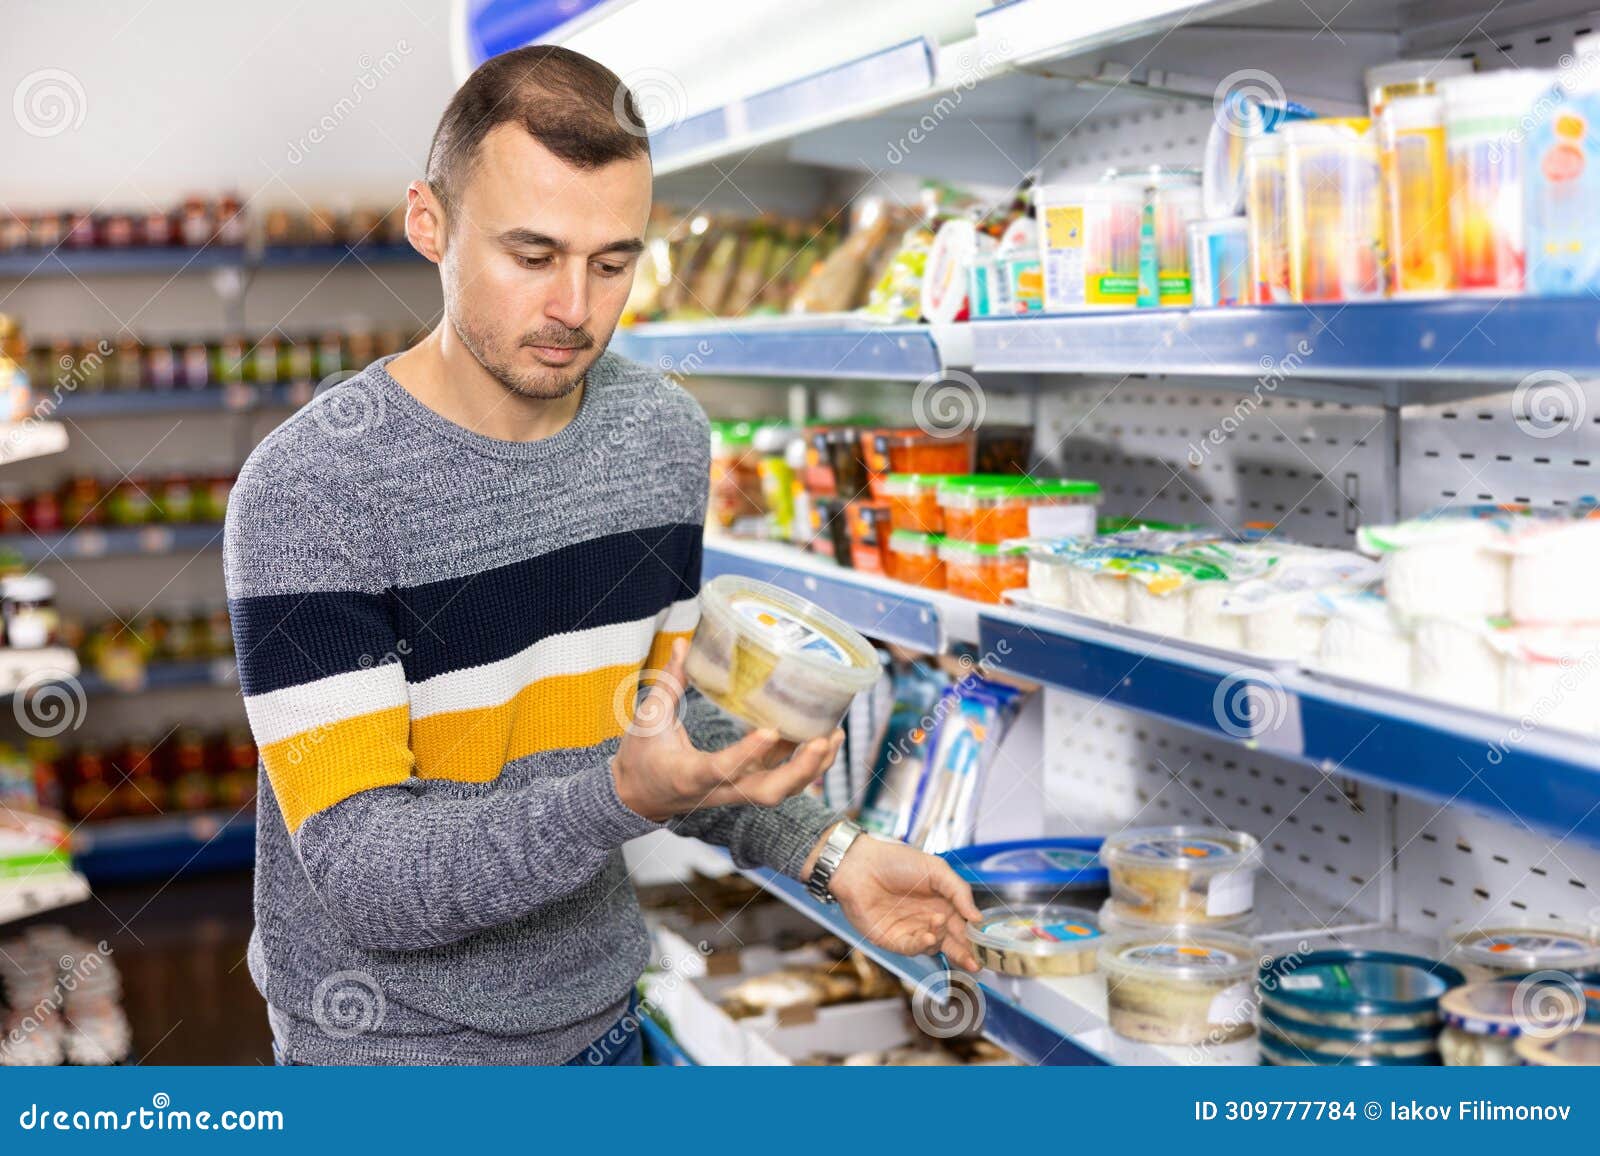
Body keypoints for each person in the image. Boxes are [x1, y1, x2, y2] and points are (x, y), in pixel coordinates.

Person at [223, 43, 980, 1066]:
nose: (575, 309)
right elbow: (368, 878)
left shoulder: (661, 436)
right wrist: (620, 798)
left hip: (609, 1022)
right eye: (532, 256)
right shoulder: (313, 488)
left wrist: (829, 850)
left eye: (612, 262)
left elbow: (664, 717)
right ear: (428, 223)